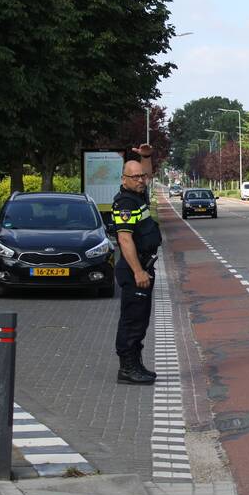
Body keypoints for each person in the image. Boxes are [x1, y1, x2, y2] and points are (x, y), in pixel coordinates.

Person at [113, 155, 162, 385]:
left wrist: (146, 158)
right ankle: (127, 369)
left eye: (142, 175)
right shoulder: (125, 203)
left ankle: (137, 364)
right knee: (132, 321)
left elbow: (149, 175)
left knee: (140, 320)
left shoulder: (137, 195)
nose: (142, 180)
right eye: (136, 177)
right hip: (135, 270)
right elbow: (124, 239)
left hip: (143, 266)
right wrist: (138, 271)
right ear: (124, 180)